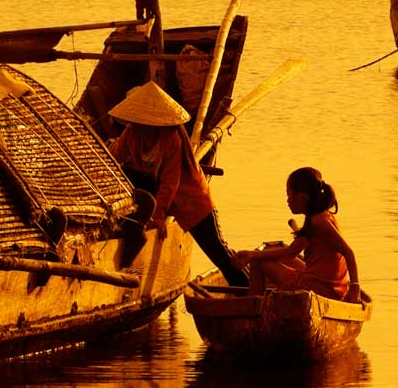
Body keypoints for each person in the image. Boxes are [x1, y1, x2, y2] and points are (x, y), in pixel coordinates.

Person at [108, 81, 245, 286]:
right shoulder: (132, 132)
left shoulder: (172, 139)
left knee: (218, 251)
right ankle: (134, 228)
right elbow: (113, 160)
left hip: (191, 201)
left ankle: (246, 287)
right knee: (128, 175)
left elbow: (170, 183)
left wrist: (158, 216)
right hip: (160, 193)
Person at [233, 168, 360, 302]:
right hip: (324, 284)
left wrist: (354, 288)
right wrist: (251, 253)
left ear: (301, 197)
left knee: (258, 263)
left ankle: (252, 308)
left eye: (289, 194)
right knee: (267, 252)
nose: (287, 200)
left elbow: (349, 253)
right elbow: (290, 252)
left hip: (322, 289)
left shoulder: (319, 222)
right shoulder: (318, 217)